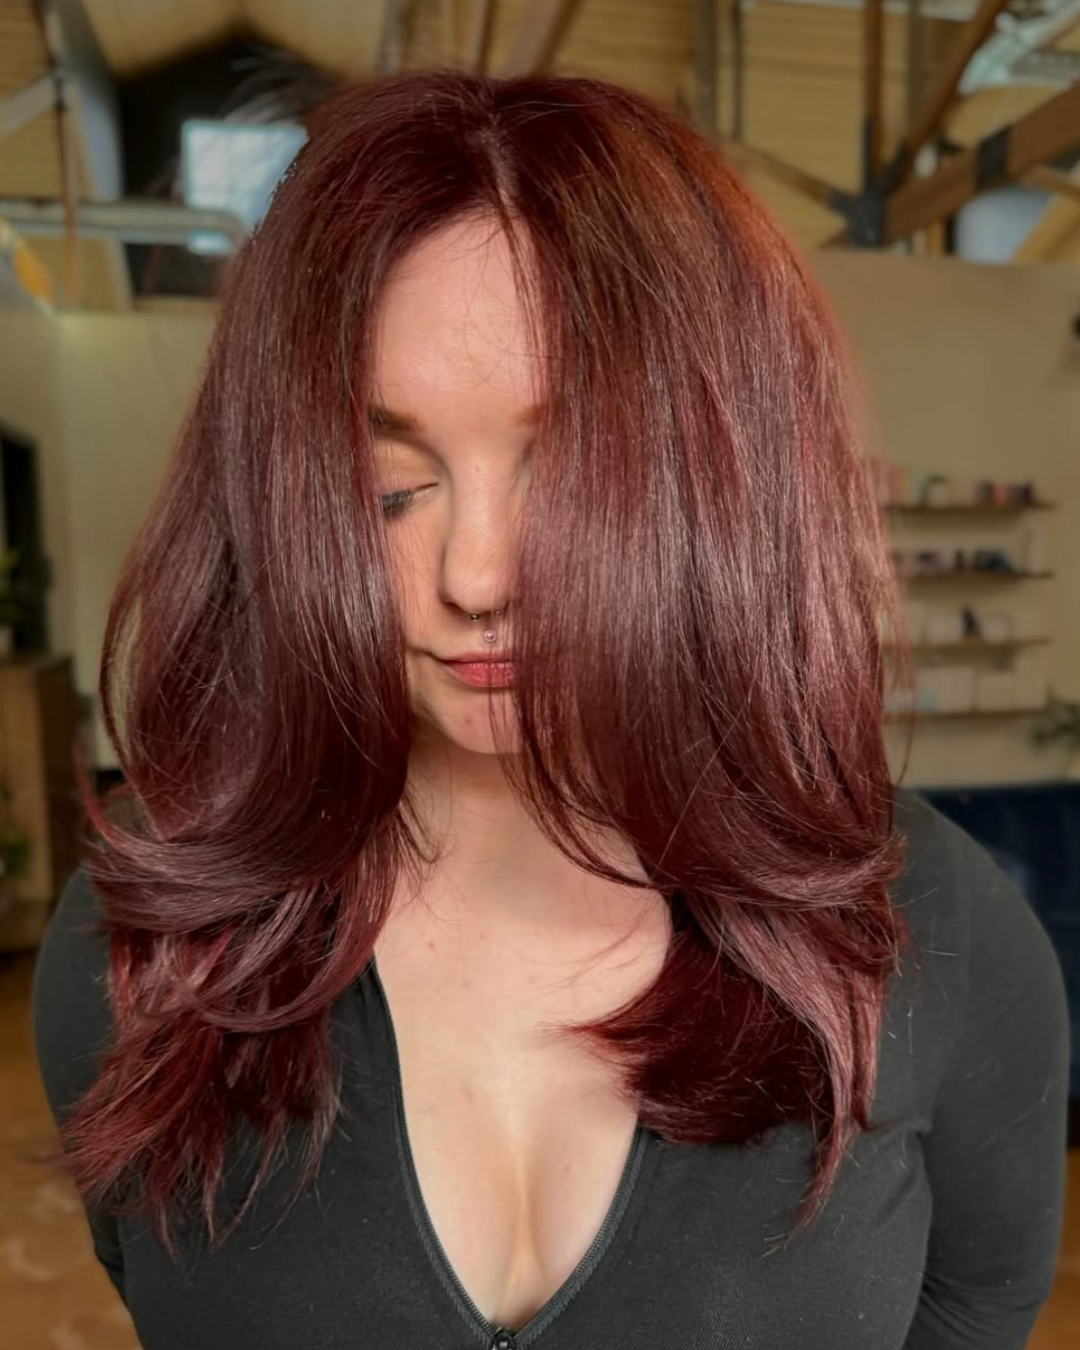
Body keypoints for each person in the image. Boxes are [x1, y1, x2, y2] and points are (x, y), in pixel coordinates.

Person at [31, 68, 1069, 1350]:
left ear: (724, 480)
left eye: (571, 473)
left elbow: (975, 1302)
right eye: (387, 490)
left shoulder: (938, 934)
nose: (477, 576)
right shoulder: (148, 950)